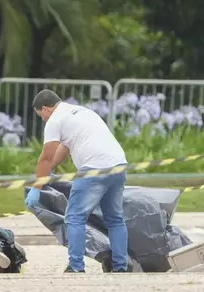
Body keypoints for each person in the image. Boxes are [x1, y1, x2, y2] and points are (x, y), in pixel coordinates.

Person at [24, 90, 129, 273]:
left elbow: (45, 157)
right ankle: (121, 267)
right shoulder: (82, 112)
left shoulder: (55, 120)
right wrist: (49, 172)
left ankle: (76, 266)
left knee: (74, 217)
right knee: (115, 219)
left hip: (93, 169)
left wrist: (36, 187)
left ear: (46, 109)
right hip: (118, 165)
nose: (44, 120)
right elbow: (65, 146)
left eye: (41, 116)